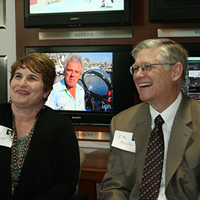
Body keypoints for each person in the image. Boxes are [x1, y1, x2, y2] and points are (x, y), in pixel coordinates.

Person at [99, 38, 200, 200]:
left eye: (147, 67)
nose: (138, 75)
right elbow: (114, 186)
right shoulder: (122, 122)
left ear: (175, 72)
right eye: (136, 68)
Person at [0, 52, 80, 200]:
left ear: (46, 91)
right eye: (18, 76)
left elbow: (67, 182)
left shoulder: (60, 126)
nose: (22, 83)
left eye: (32, 78)